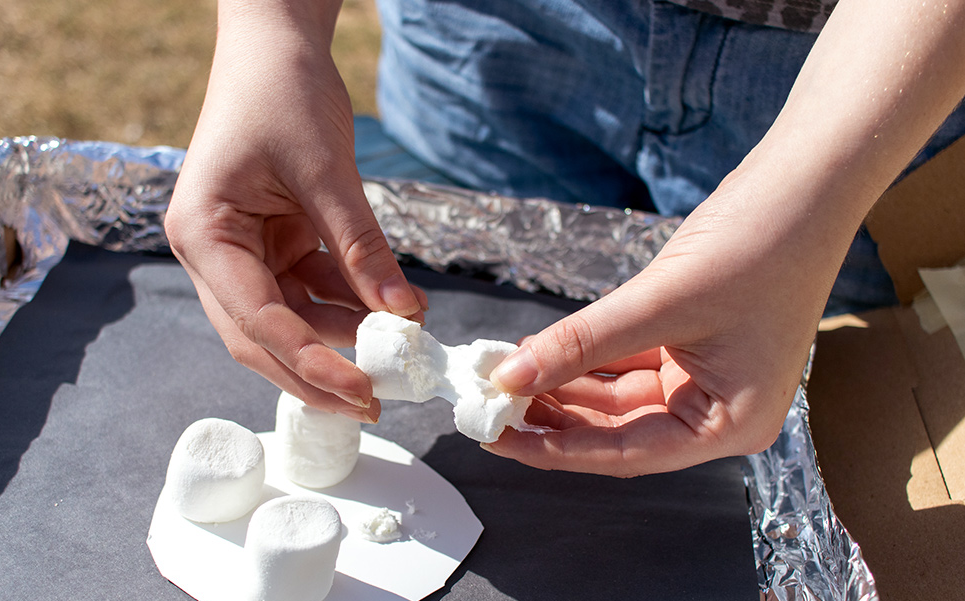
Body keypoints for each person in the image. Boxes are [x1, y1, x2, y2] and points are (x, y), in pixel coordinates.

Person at [164, 0, 965, 477]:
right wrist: (273, 32)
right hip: (488, 37)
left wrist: (812, 200)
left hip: (871, 76)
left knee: (851, 401)